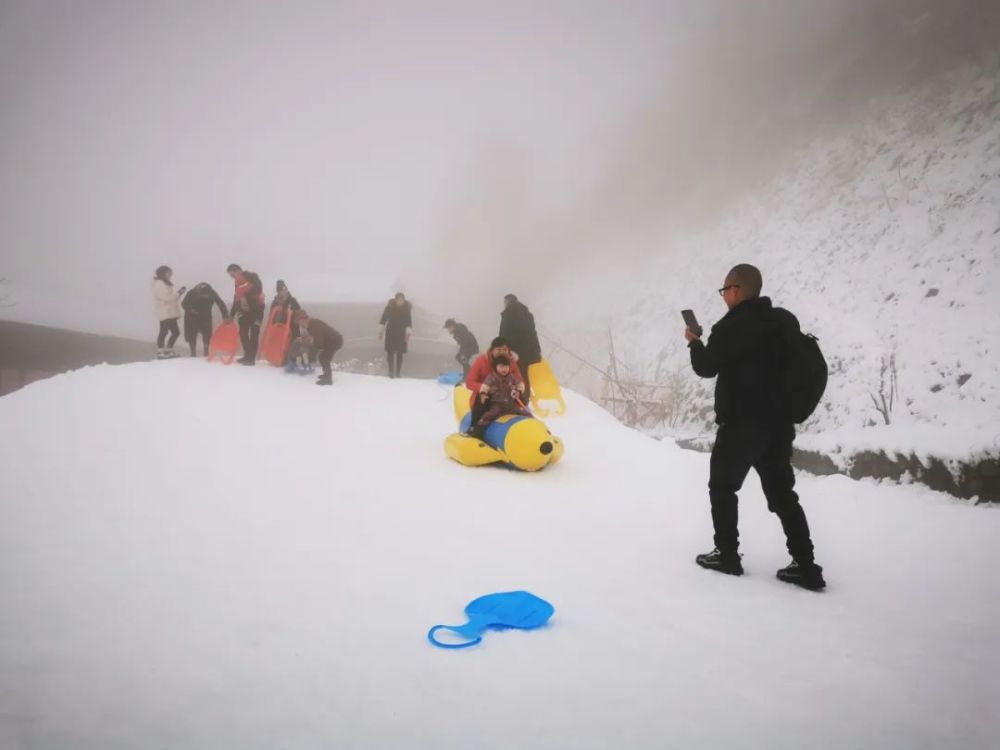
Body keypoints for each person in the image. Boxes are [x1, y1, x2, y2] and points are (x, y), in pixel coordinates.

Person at [685, 263, 825, 591]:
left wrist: (694, 342)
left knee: (722, 487)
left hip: (741, 425)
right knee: (782, 495)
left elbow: (706, 367)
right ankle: (806, 566)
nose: (723, 296)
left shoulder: (732, 327)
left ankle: (727, 555)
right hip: (778, 427)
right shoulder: (783, 322)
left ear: (736, 290)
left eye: (725, 290)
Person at [466, 355, 528, 438]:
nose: (504, 369)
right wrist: (483, 394)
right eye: (501, 367)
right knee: (488, 416)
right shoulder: (492, 377)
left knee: (525, 413)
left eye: (506, 367)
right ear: (496, 368)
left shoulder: (511, 377)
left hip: (510, 404)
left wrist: (519, 391)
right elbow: (485, 386)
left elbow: (519, 384)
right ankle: (477, 431)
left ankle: (535, 428)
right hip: (498, 404)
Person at [499, 293, 542, 403]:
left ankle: (519, 398)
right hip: (532, 348)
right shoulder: (527, 313)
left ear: (508, 302)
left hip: (517, 350)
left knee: (516, 373)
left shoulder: (508, 313)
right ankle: (524, 397)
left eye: (504, 302)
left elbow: (503, 333)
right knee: (523, 372)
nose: (504, 304)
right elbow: (531, 331)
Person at [466, 336, 524, 408]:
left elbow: (519, 380)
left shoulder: (511, 362)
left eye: (505, 350)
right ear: (492, 350)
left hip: (505, 399)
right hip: (484, 399)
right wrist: (484, 387)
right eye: (499, 350)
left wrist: (518, 389)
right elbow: (469, 382)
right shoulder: (481, 361)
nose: (502, 352)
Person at [226, 263, 265, 366]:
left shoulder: (252, 276)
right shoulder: (237, 282)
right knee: (243, 333)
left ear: (237, 270)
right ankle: (247, 356)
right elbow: (236, 298)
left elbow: (258, 288)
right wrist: (231, 315)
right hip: (244, 311)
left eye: (232, 274)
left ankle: (251, 359)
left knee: (254, 334)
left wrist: (245, 294)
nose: (232, 277)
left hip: (256, 310)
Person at [296, 310, 343, 386]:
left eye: (299, 321)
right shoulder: (311, 324)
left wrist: (311, 350)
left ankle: (328, 379)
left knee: (324, 358)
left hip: (334, 341)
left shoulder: (313, 325)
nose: (299, 324)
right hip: (331, 340)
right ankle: (326, 375)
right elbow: (317, 339)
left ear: (303, 319)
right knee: (323, 357)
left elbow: (319, 342)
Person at [181, 282, 229, 357]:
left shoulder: (211, 293)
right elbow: (184, 304)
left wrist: (225, 316)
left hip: (205, 317)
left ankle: (206, 352)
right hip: (192, 317)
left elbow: (220, 303)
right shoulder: (192, 292)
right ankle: (193, 353)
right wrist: (191, 310)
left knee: (207, 335)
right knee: (192, 335)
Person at [151, 266, 185, 359]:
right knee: (164, 331)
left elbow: (169, 297)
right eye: (169, 273)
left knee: (175, 332)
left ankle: (167, 351)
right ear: (163, 273)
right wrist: (179, 293)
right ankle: (161, 352)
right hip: (165, 312)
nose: (170, 275)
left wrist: (178, 293)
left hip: (169, 312)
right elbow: (167, 298)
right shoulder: (159, 284)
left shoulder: (164, 283)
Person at [378, 292, 412, 378]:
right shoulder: (389, 308)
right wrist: (380, 332)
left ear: (404, 300)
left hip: (401, 333)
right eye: (399, 299)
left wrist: (408, 334)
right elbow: (383, 320)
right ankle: (391, 372)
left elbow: (409, 322)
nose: (400, 301)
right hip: (391, 332)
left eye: (402, 300)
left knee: (400, 353)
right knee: (390, 352)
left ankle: (398, 373)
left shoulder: (406, 309)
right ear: (396, 300)